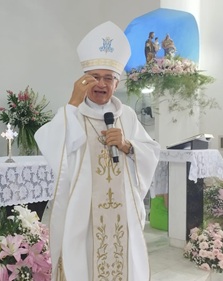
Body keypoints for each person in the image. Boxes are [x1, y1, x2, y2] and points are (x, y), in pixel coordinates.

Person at [35, 21, 160, 281]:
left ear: (117, 83)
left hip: (123, 210)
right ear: (83, 80)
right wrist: (72, 102)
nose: (101, 84)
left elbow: (150, 151)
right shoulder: (72, 113)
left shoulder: (126, 115)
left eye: (108, 78)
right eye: (94, 77)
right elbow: (50, 143)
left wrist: (127, 145)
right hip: (85, 211)